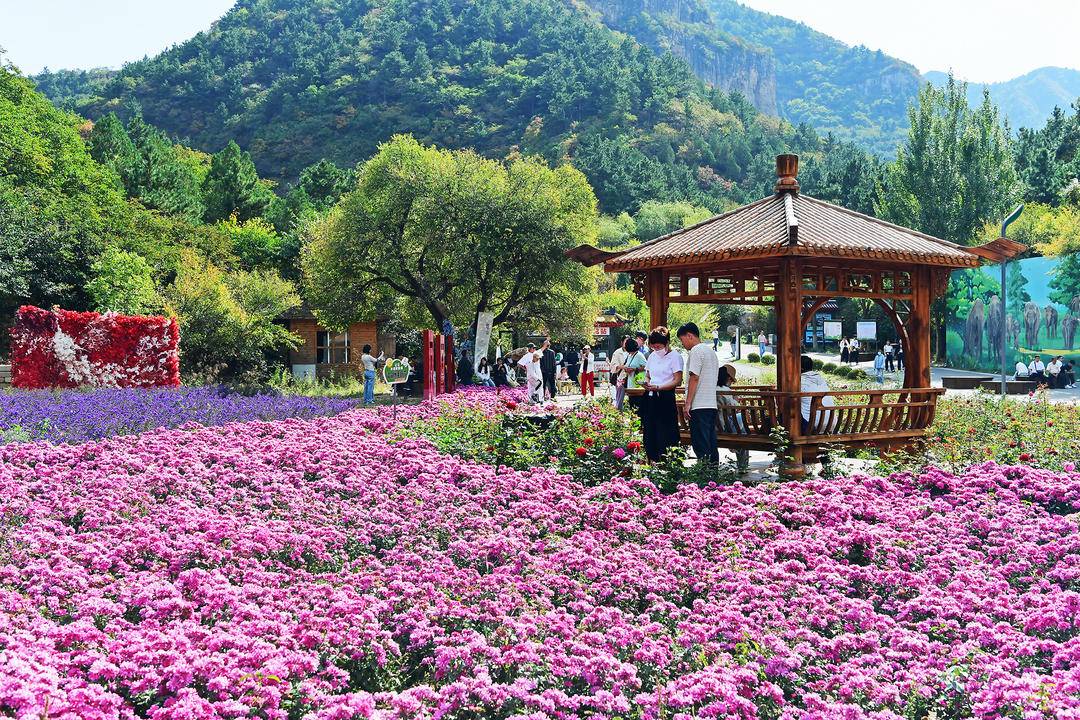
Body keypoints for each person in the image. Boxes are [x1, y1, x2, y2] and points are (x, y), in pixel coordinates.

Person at [678, 323, 719, 468]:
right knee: (711, 442)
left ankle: (704, 477)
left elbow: (694, 377)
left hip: (699, 404)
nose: (683, 344)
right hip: (711, 404)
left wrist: (687, 403)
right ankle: (713, 477)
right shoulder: (711, 352)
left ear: (690, 335)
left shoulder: (696, 351)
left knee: (700, 444)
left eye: (682, 340)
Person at [640, 327, 683, 462]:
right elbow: (648, 375)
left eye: (658, 347)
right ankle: (652, 458)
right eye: (653, 347)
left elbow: (677, 380)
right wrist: (647, 383)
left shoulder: (675, 356)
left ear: (667, 343)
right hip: (651, 395)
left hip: (665, 396)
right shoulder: (652, 356)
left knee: (666, 430)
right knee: (650, 429)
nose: (656, 349)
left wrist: (660, 387)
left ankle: (668, 460)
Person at [717, 364, 750, 473]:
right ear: (728, 378)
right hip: (724, 426)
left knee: (740, 426)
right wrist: (736, 399)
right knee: (743, 429)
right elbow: (735, 409)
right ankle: (742, 466)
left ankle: (735, 448)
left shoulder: (710, 389)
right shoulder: (726, 390)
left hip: (712, 425)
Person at [800, 354, 835, 433]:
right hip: (830, 423)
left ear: (801, 368)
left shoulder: (800, 382)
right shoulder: (821, 380)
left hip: (812, 425)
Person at [622, 338, 647, 414]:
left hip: (638, 385)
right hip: (630, 384)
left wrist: (634, 369)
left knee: (638, 406)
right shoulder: (629, 355)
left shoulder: (639, 355)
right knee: (632, 406)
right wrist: (627, 369)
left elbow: (646, 367)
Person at [609, 336, 629, 409]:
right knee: (620, 397)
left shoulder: (632, 351)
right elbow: (613, 365)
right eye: (625, 341)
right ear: (622, 342)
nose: (627, 343)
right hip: (621, 377)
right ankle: (619, 412)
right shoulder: (617, 352)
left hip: (630, 377)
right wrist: (622, 367)